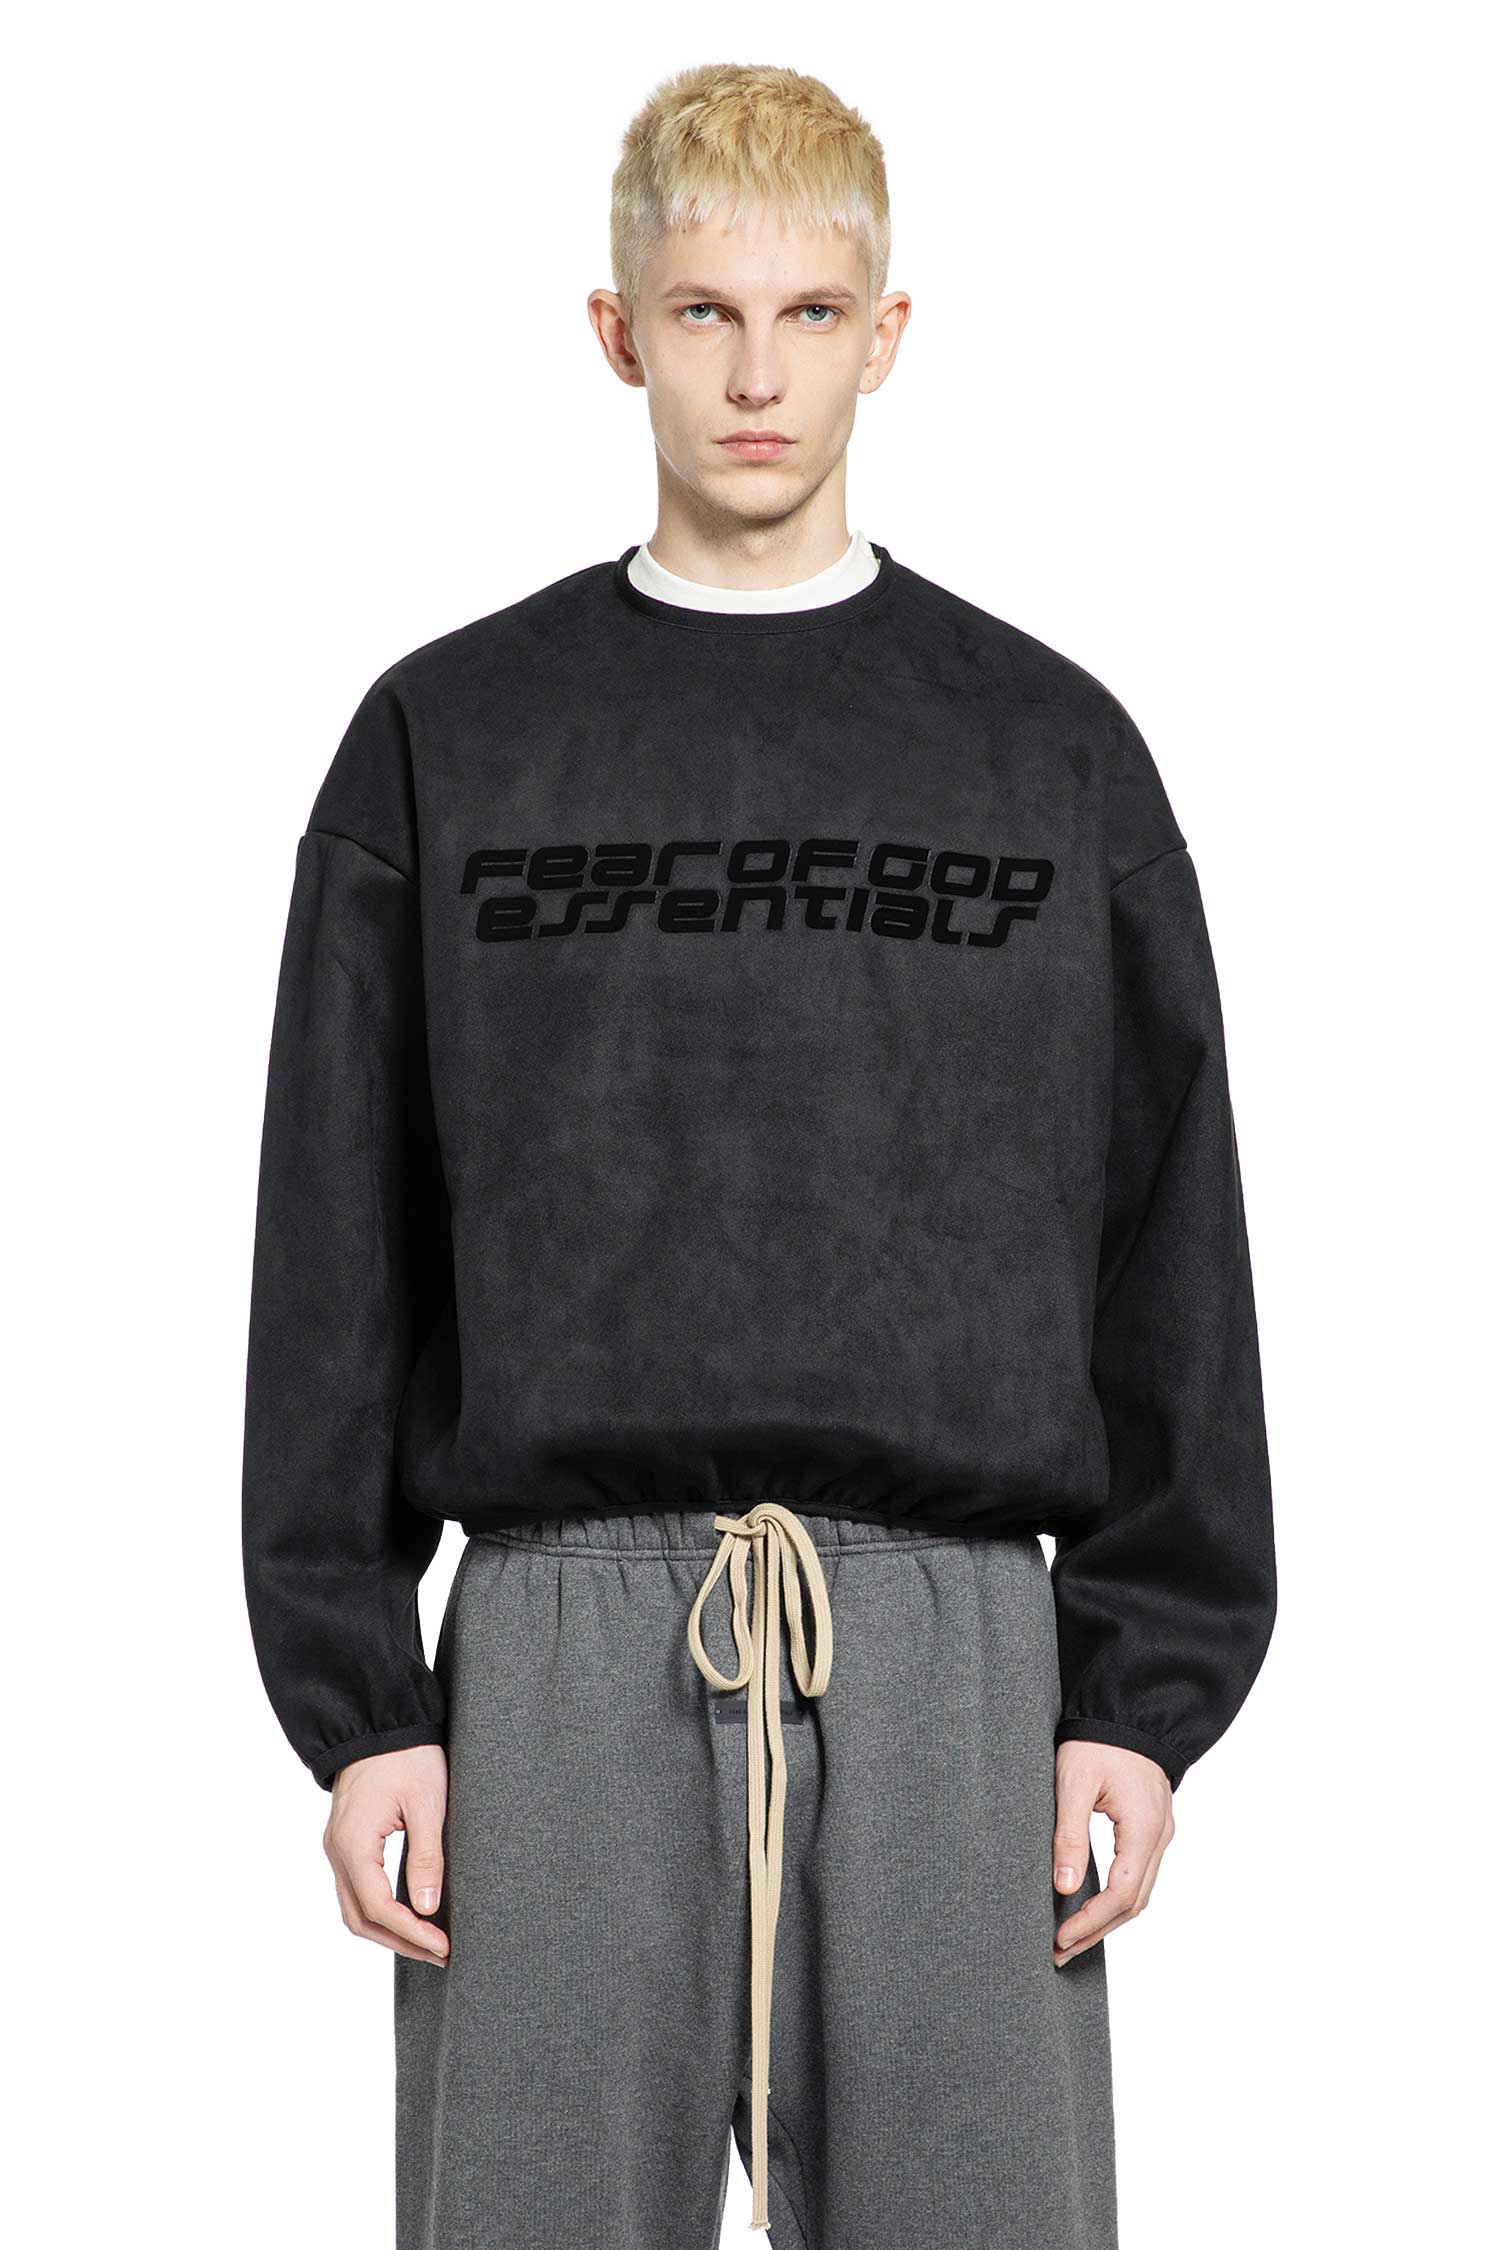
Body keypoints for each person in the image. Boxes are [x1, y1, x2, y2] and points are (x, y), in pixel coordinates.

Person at [241, 59, 1276, 2250]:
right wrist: (358, 1699)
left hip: (956, 1659)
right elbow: (339, 1241)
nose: (754, 376)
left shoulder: (1045, 751)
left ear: (886, 335)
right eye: (704, 312)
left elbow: (1169, 1234)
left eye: (808, 317)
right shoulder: (455, 738)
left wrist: (1146, 1691)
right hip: (555, 1653)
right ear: (615, 328)